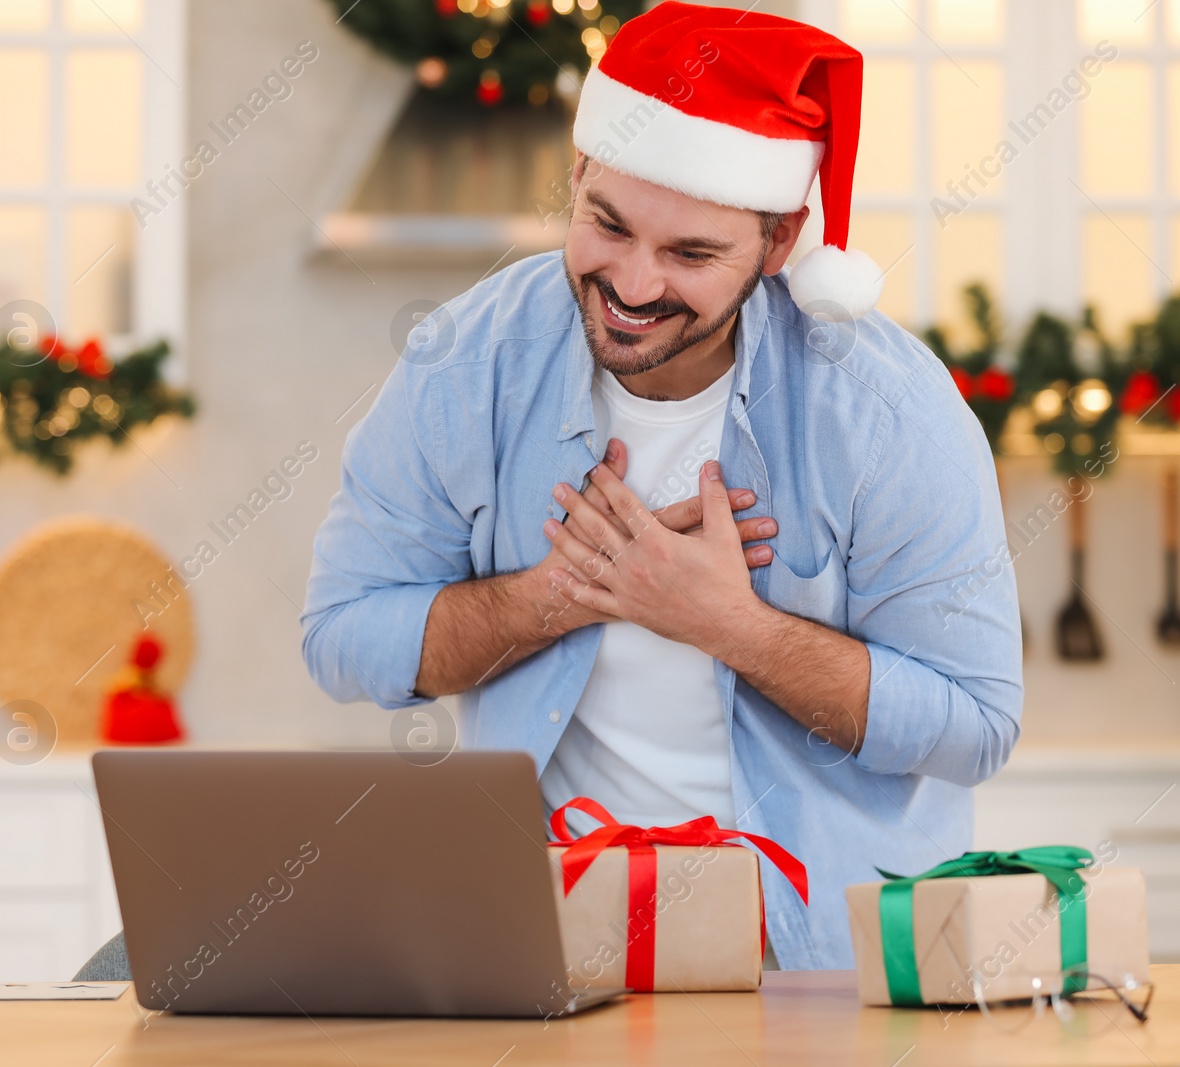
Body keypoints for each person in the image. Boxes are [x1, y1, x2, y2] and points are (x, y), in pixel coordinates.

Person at [301, 1, 1023, 971]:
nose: (634, 283)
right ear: (577, 178)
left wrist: (728, 621)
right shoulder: (466, 362)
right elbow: (341, 637)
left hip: (819, 963)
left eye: (691, 253)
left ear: (778, 243)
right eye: (607, 225)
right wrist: (547, 597)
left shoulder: (886, 410)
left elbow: (975, 726)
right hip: (550, 934)